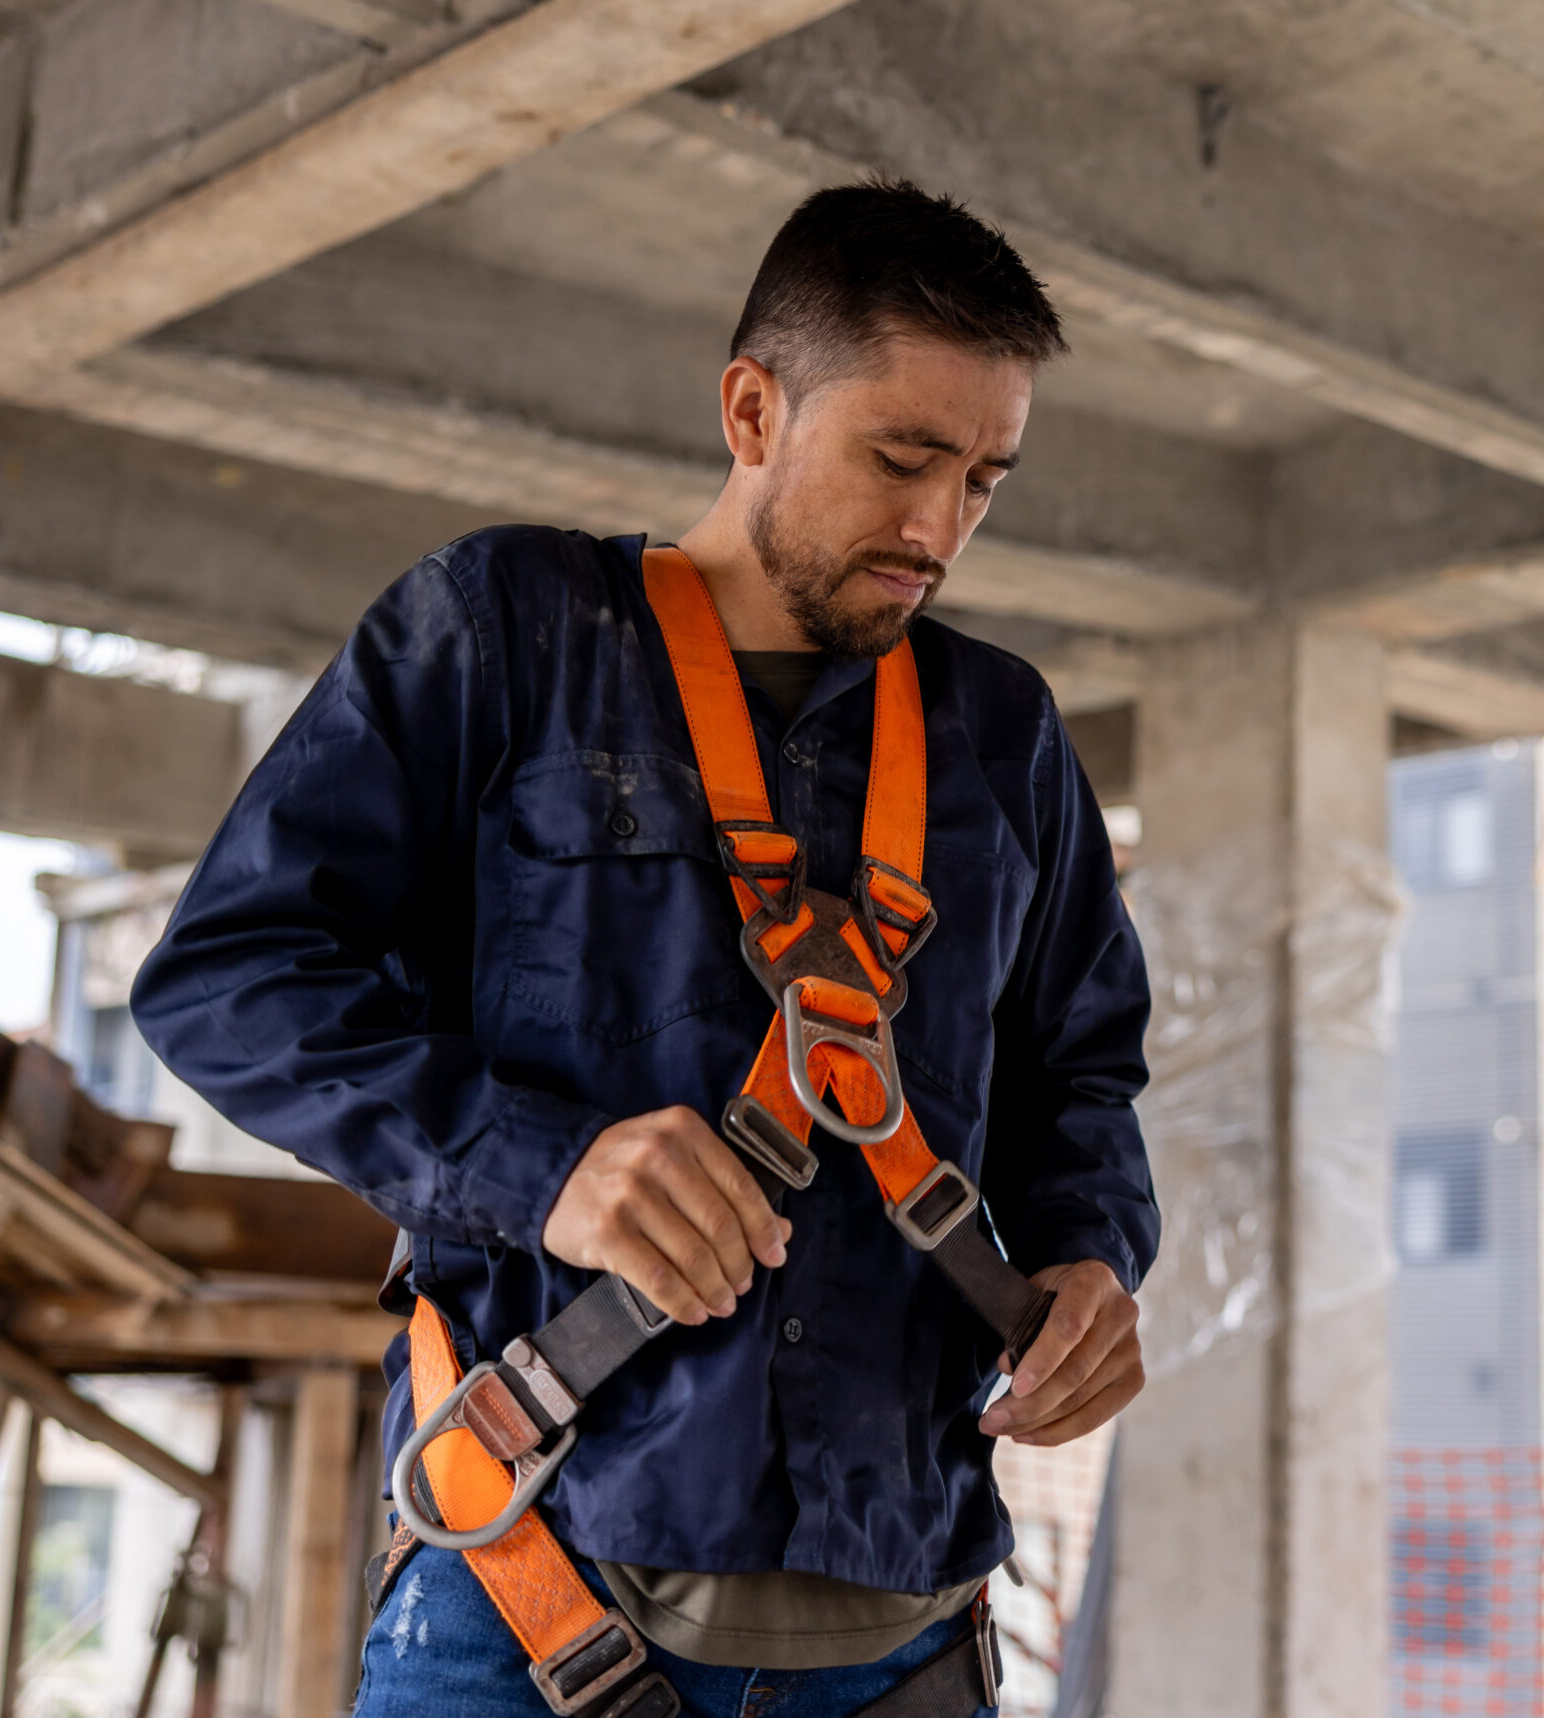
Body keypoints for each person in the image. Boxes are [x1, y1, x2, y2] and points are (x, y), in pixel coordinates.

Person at [131, 180, 1158, 1718]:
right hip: (528, 1600)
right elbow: (229, 975)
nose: (938, 527)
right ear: (752, 409)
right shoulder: (508, 634)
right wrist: (542, 1166)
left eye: (984, 481)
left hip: (907, 1628)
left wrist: (1092, 1257)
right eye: (901, 460)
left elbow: (1081, 1074)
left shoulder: (1000, 737)